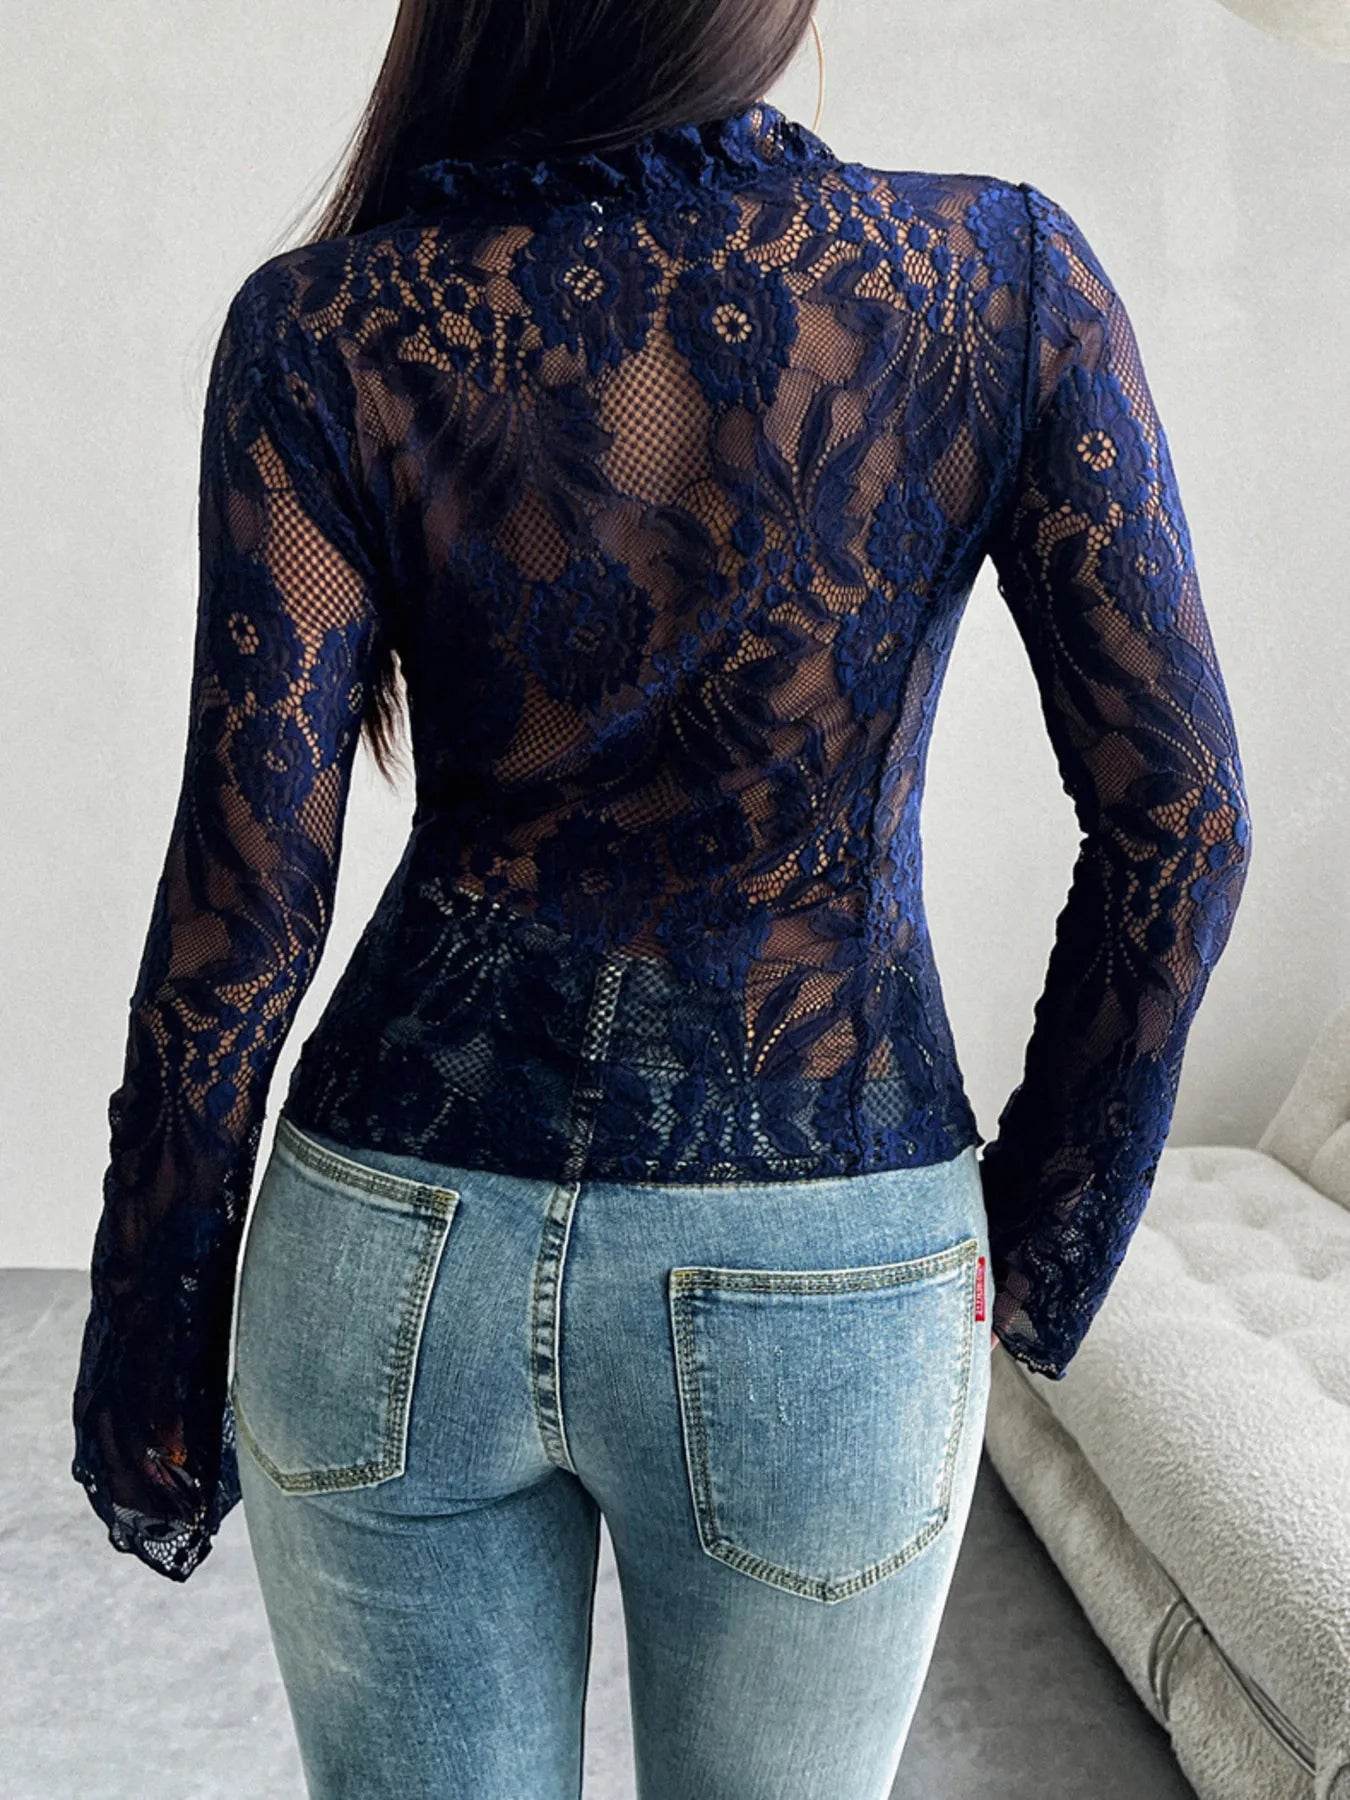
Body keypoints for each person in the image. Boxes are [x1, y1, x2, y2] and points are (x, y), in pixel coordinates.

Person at [69, 0, 1252, 1793]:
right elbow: (1182, 819)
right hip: (828, 1236)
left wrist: (158, 1323)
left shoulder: (325, 325)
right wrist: (1026, 1227)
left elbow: (246, 906)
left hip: (393, 1239)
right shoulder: (996, 278)